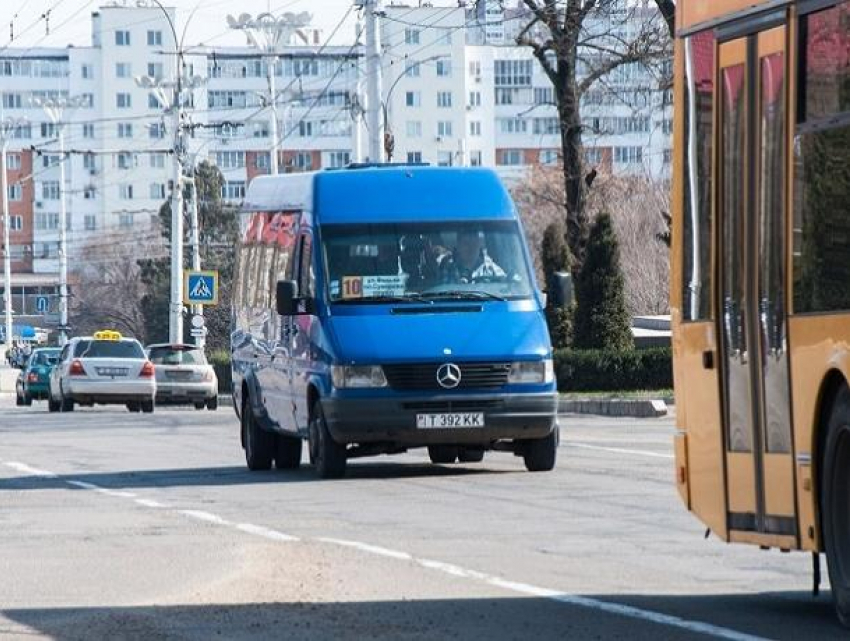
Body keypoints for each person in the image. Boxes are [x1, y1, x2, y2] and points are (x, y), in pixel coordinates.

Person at [439, 230, 506, 284]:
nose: (471, 248)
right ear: (458, 246)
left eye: (474, 243)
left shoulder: (491, 269)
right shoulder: (448, 268)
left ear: (479, 245)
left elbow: (509, 286)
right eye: (466, 243)